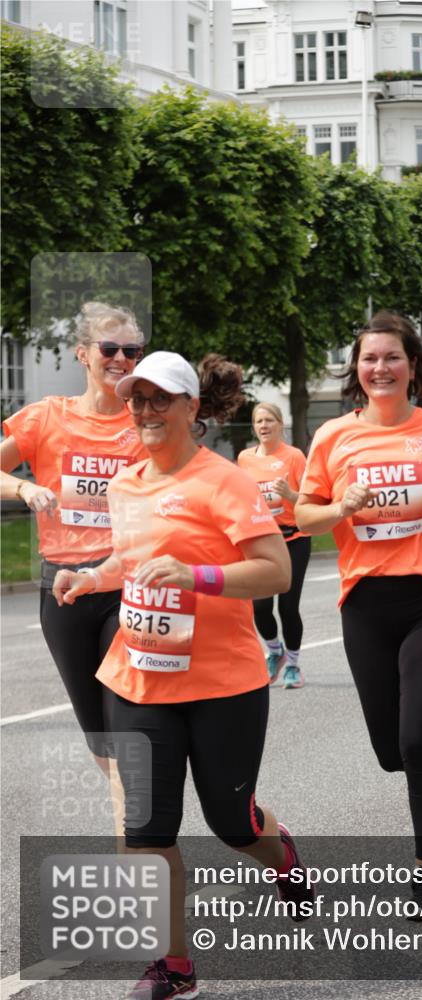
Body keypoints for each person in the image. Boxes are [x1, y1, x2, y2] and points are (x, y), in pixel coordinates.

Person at [52, 352, 313, 1000]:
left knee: (232, 823)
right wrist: (91, 577)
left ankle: (284, 859)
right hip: (139, 677)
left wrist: (199, 576)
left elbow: (274, 570)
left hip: (224, 683)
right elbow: (130, 557)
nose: (143, 410)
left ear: (191, 407)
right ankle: (174, 966)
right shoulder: (125, 484)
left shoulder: (224, 483)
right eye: (136, 399)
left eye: (157, 399)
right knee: (145, 832)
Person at [295, 311, 422, 917]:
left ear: (413, 367)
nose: (379, 367)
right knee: (392, 753)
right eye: (369, 359)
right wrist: (339, 507)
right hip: (365, 602)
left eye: (391, 357)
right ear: (357, 371)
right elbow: (304, 517)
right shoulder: (334, 437)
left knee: (415, 740)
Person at [0, 302, 146, 824]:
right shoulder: (48, 417)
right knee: (103, 745)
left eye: (132, 350)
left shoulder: (146, 419)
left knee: (127, 736)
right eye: (110, 349)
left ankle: (141, 869)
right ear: (83, 354)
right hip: (61, 590)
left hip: (125, 588)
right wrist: (22, 485)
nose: (122, 359)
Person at [237, 403, 311, 689]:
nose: (264, 426)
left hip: (294, 539)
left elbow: (309, 500)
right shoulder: (244, 458)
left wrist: (289, 494)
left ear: (281, 424)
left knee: (288, 607)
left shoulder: (294, 457)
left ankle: (293, 664)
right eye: (259, 421)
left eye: (269, 420)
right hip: (262, 540)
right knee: (260, 606)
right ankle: (275, 651)